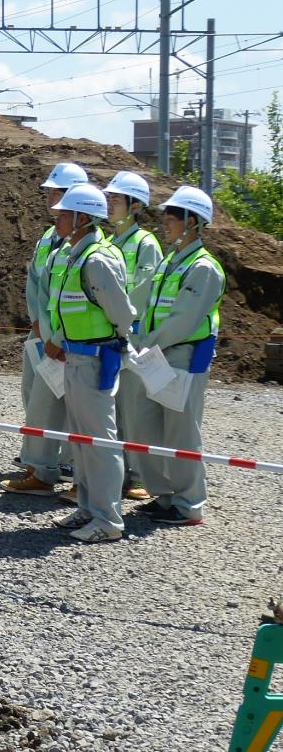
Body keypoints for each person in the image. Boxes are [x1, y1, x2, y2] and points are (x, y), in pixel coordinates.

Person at [121, 185, 226, 526]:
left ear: (193, 222)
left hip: (182, 356)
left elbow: (183, 320)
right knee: (143, 426)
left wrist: (145, 344)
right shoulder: (171, 262)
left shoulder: (204, 267)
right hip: (156, 353)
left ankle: (188, 502)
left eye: (171, 219)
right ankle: (163, 495)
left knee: (181, 432)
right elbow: (142, 300)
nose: (165, 225)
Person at [40, 184, 136, 542]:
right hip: (75, 356)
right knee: (81, 440)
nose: (58, 217)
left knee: (100, 441)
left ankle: (109, 520)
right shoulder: (74, 255)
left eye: (65, 213)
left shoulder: (96, 260)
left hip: (95, 359)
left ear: (82, 218)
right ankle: (88, 505)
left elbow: (122, 313)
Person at [1, 161, 89, 496]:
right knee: (35, 397)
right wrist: (37, 322)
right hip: (41, 334)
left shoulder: (82, 245)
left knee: (69, 406)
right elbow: (35, 285)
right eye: (50, 192)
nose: (50, 198)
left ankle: (62, 464)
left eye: (56, 192)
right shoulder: (48, 239)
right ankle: (42, 463)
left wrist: (56, 333)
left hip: (65, 340)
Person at [100, 170, 163, 503]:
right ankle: (120, 471)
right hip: (111, 332)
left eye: (116, 199)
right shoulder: (108, 243)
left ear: (135, 205)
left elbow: (143, 291)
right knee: (114, 407)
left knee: (134, 408)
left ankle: (139, 475)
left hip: (133, 336)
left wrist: (118, 316)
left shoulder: (145, 243)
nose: (110, 204)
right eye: (109, 199)